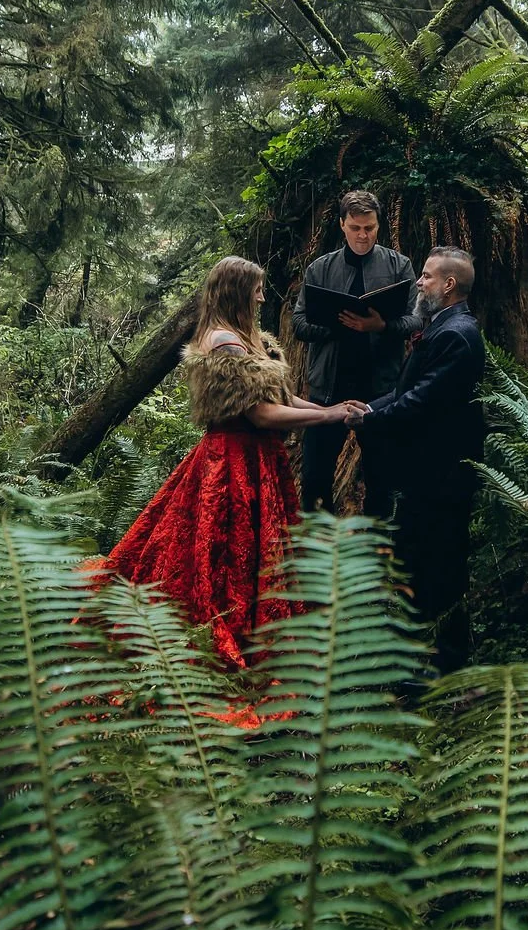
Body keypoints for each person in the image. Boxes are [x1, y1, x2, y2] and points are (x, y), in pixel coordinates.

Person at [104, 256, 361, 667]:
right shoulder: (225, 342)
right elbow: (261, 414)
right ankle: (233, 632)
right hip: (235, 461)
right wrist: (328, 417)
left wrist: (330, 408)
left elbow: (280, 398)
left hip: (258, 458)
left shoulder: (246, 338)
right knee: (227, 551)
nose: (262, 296)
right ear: (238, 291)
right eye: (256, 288)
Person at [346, 246, 485, 671]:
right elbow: (408, 390)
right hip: (424, 473)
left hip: (442, 476)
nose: (419, 282)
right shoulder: (439, 327)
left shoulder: (456, 334)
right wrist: (370, 407)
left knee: (436, 564)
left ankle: (442, 666)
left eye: (426, 276)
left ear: (448, 285)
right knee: (412, 558)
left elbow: (423, 401)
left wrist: (372, 422)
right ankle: (413, 655)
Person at [289, 190, 423, 513]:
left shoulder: (398, 265)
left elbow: (417, 318)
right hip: (328, 389)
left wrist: (380, 327)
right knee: (316, 477)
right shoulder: (320, 269)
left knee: (382, 477)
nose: (363, 235)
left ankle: (375, 553)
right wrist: (337, 326)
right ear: (342, 225)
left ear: (379, 226)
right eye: (355, 228)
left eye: (370, 228)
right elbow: (298, 323)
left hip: (380, 389)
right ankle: (321, 551)